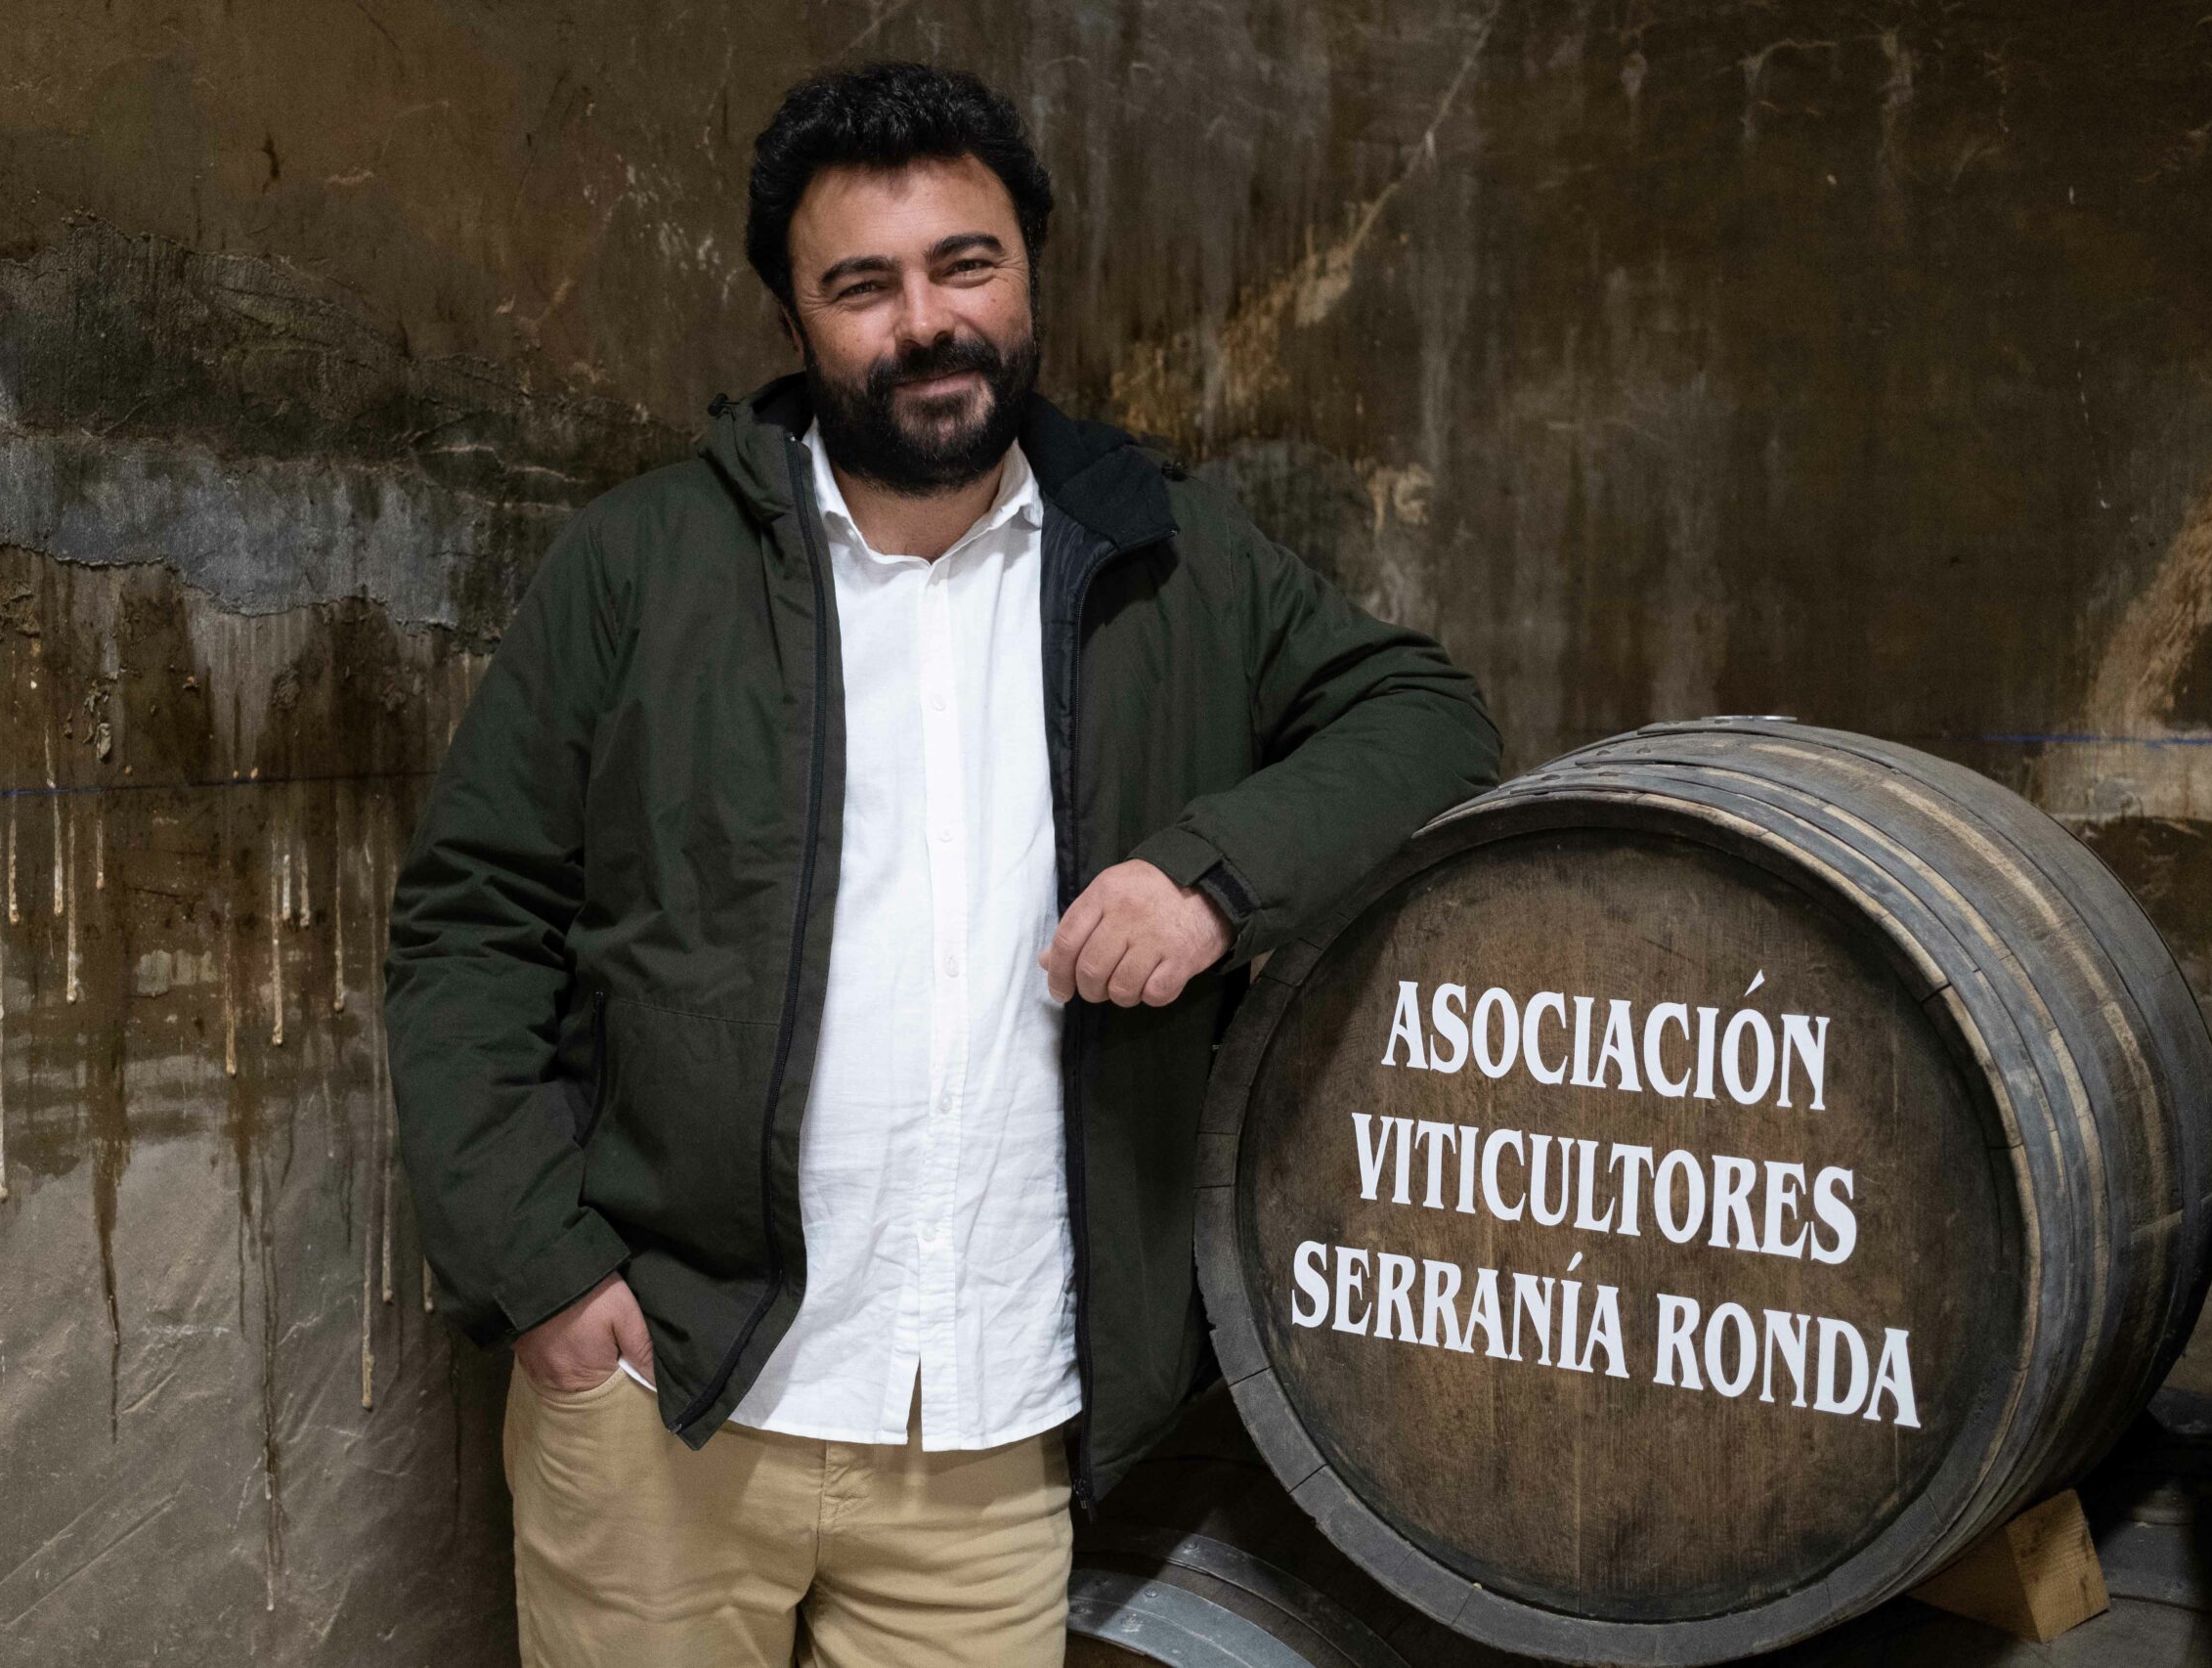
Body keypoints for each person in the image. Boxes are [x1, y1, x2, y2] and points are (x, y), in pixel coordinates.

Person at [382, 59, 1501, 1668]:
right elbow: (470, 925)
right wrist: (546, 1277)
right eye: (864, 284)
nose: (925, 320)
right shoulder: (642, 565)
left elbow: (1425, 718)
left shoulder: (1165, 554)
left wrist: (1210, 873)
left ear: (1028, 272)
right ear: (797, 318)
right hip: (674, 1397)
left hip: (990, 1427)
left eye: (964, 264)